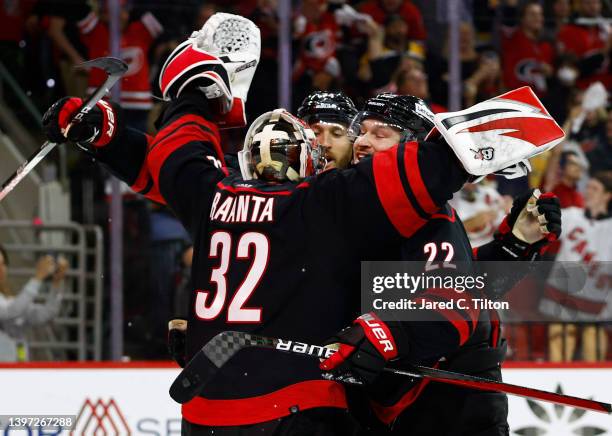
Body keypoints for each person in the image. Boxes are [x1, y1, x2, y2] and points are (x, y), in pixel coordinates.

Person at [41, 14, 562, 433]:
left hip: (441, 407)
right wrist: (220, 327)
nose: (347, 141)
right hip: (343, 401)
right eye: (316, 130)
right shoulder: (321, 201)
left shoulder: (375, 207)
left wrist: (508, 253)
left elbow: (455, 298)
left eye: (361, 132)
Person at [322, 93, 562, 435]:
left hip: (449, 403)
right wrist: (511, 248)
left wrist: (512, 250)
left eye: (380, 134)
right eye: (361, 131)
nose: (361, 141)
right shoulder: (359, 205)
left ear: (412, 148)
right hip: (407, 397)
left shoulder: (427, 215)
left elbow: (454, 297)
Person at [540, 171, 612, 362]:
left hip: (595, 304)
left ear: (607, 195)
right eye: (587, 187)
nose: (588, 192)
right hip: (561, 297)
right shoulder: (572, 215)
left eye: (594, 189)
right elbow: (542, 221)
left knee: (594, 358)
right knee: (559, 358)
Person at [0, 247, 68, 362]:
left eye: (3, 264)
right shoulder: (11, 305)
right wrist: (38, 277)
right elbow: (11, 311)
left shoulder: (9, 300)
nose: (1, 269)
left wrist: (57, 283)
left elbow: (46, 314)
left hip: (17, 369)